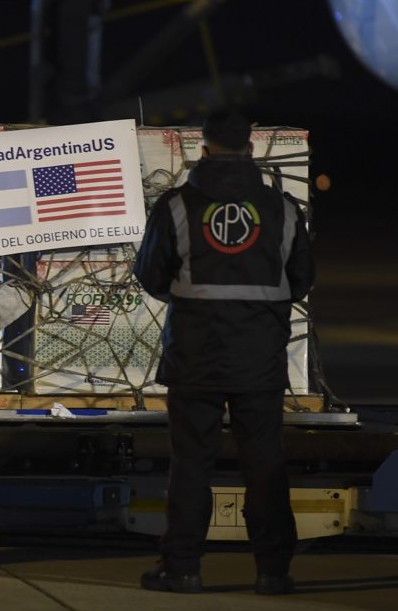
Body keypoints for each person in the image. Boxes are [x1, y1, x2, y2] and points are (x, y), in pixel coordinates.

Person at [133, 111, 314, 595]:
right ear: (251, 150)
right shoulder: (285, 209)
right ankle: (273, 573)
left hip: (196, 356)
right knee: (265, 465)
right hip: (260, 359)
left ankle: (183, 568)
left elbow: (151, 275)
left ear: (204, 149)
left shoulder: (176, 205)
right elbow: (301, 281)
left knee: (191, 464)